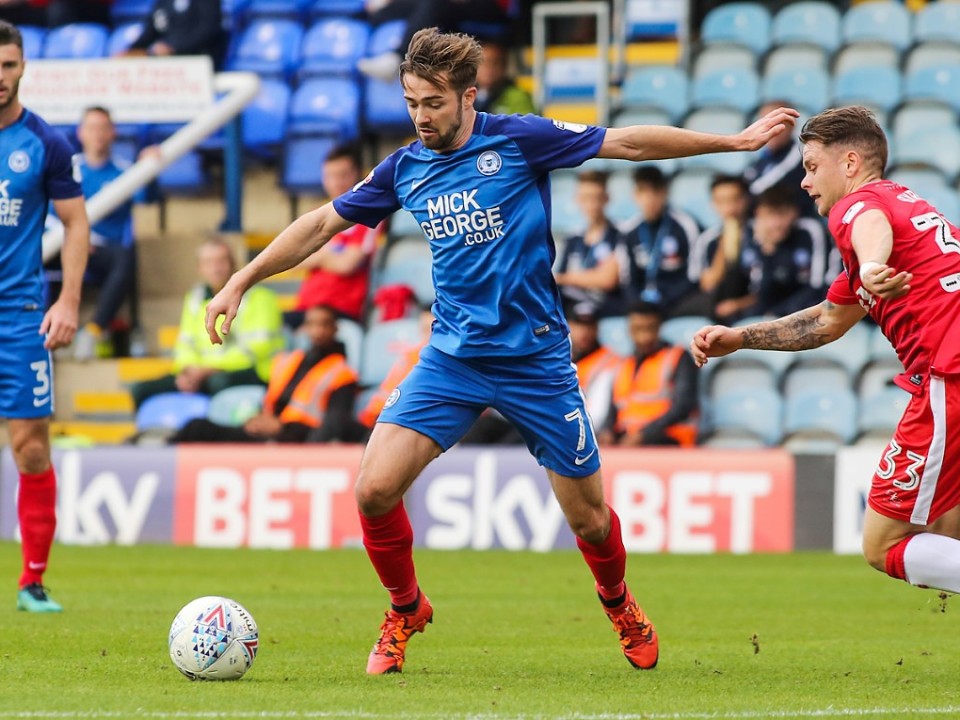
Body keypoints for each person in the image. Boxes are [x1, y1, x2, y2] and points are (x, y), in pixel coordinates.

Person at [204, 27, 797, 674]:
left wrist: (732, 142)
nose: (421, 117)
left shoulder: (519, 139)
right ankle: (405, 609)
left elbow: (626, 142)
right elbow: (322, 223)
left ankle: (619, 602)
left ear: (468, 96)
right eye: (411, 102)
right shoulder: (404, 168)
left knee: (590, 520)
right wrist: (241, 279)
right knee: (373, 489)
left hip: (536, 362)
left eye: (433, 103)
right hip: (452, 360)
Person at [691, 105, 960, 603]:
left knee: (885, 544)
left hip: (951, 372)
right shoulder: (907, 209)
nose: (805, 182)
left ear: (850, 163)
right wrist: (740, 338)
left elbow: (867, 225)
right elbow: (826, 322)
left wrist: (873, 264)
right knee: (946, 527)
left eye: (812, 167)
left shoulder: (859, 206)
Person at [0, 21, 91, 612]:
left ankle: (32, 581)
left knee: (31, 447)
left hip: (20, 315)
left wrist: (69, 301)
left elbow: (76, 223)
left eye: (8, 65)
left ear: (23, 67)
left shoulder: (45, 143)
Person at [173, 305, 361, 444]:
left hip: (297, 440)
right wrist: (258, 418)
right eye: (311, 324)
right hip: (267, 432)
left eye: (324, 324)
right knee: (197, 427)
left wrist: (281, 427)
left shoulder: (342, 374)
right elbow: (271, 400)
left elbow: (333, 426)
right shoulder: (289, 361)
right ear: (304, 328)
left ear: (335, 328)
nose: (318, 331)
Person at [131, 238, 283, 409]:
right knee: (140, 390)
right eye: (208, 263)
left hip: (250, 372)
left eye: (221, 261)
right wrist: (189, 371)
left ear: (233, 263)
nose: (215, 268)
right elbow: (185, 344)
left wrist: (208, 370)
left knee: (216, 383)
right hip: (202, 372)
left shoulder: (260, 298)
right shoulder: (194, 298)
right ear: (200, 268)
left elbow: (257, 349)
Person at [65, 106, 139, 361]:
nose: (97, 134)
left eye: (103, 128)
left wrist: (152, 164)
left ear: (112, 133)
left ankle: (93, 331)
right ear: (80, 133)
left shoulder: (125, 171)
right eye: (91, 127)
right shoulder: (66, 169)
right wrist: (75, 238)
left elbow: (148, 198)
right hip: (63, 244)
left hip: (103, 250)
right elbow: (48, 214)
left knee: (125, 258)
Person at [712, 184, 832, 323]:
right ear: (759, 214)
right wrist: (767, 250)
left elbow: (819, 286)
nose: (776, 223)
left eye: (782, 214)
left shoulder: (810, 232)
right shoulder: (752, 236)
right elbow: (762, 292)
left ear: (794, 212)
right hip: (771, 309)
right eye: (769, 215)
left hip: (808, 306)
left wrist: (777, 313)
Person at [292, 145, 381, 326]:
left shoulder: (369, 215)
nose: (336, 182)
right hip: (306, 307)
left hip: (341, 311)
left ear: (358, 174)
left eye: (342, 175)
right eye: (330, 176)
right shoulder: (316, 214)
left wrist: (318, 254)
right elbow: (294, 258)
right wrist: (332, 256)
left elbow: (347, 264)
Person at [599, 302, 698, 447]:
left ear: (659, 328)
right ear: (629, 330)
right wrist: (607, 431)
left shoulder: (677, 357)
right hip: (629, 437)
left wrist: (644, 434)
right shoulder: (623, 363)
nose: (644, 337)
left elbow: (683, 407)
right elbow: (613, 409)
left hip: (668, 438)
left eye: (650, 328)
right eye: (637, 329)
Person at [619, 165, 701, 317]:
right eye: (643, 191)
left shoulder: (686, 225)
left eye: (655, 191)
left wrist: (662, 301)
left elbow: (694, 276)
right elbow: (628, 279)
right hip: (642, 304)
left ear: (665, 192)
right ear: (635, 195)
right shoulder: (629, 231)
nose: (650, 199)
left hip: (677, 301)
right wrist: (639, 304)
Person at [554, 170, 626, 318]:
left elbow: (607, 279)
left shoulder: (621, 234)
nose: (592, 204)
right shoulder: (573, 239)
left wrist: (567, 278)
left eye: (596, 198)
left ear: (606, 198)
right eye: (586, 198)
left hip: (607, 310)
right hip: (573, 312)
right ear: (578, 199)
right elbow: (559, 281)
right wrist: (591, 277)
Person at [357, 306, 434, 431]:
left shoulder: (430, 359)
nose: (428, 335)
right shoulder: (412, 356)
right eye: (424, 330)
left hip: (402, 420)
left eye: (432, 329)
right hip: (385, 418)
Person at [685, 174, 750, 318]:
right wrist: (725, 243)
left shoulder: (760, 233)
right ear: (713, 204)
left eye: (734, 199)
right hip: (719, 304)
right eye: (721, 201)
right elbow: (708, 284)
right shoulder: (707, 239)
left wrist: (737, 304)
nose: (729, 207)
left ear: (746, 200)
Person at [743, 99, 817, 218]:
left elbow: (757, 188)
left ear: (791, 125)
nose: (768, 129)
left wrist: (742, 196)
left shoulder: (801, 156)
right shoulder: (762, 159)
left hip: (799, 222)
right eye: (763, 123)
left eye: (775, 124)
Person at [119, 0, 225, 65]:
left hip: (196, 60)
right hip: (165, 62)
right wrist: (131, 50)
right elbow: (152, 30)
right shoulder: (163, 2)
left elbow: (208, 30)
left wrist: (173, 48)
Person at [567, 305, 620, 426]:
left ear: (597, 328)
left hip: (588, 425)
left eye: (589, 326)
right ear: (569, 326)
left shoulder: (610, 360)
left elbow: (598, 413)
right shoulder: (561, 358)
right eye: (579, 325)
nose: (584, 332)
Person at [473, 40, 535, 115]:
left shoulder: (517, 97)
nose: (489, 69)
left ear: (504, 66)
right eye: (483, 63)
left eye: (496, 63)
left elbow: (526, 121)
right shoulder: (465, 94)